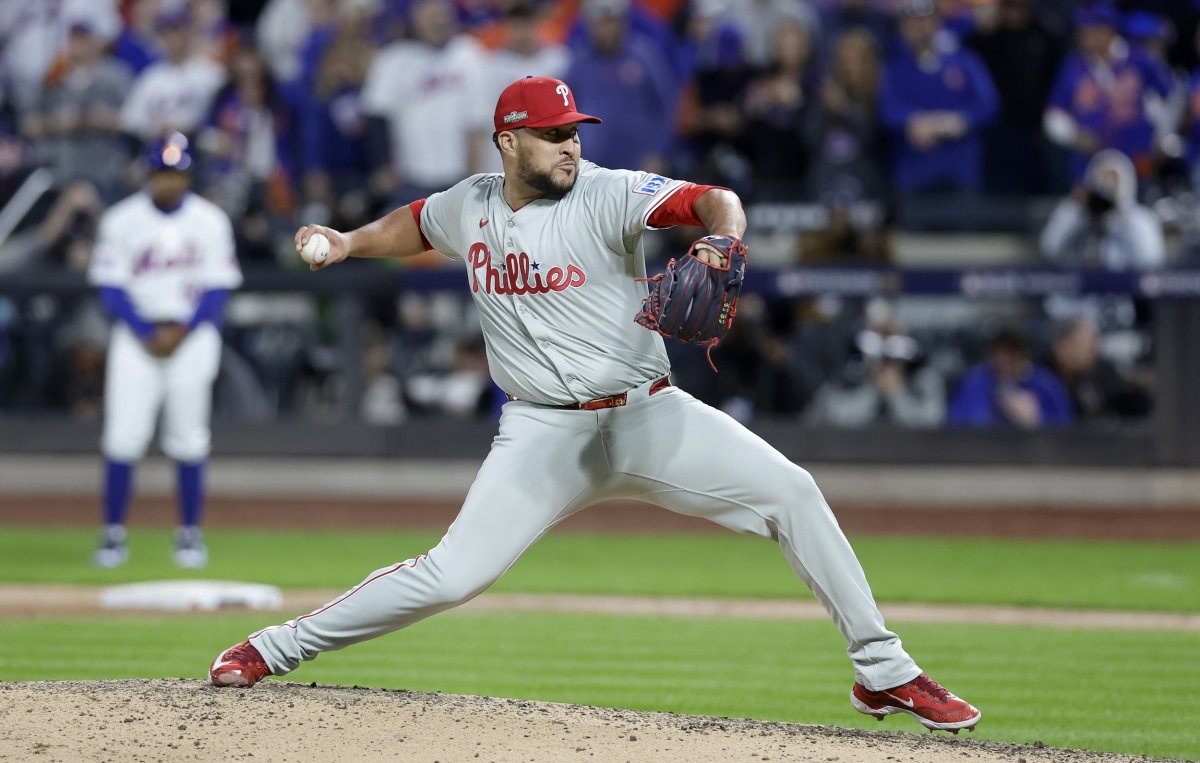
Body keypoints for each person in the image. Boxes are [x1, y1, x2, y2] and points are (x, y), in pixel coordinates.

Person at [208, 75, 981, 735]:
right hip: (542, 432)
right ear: (507, 143)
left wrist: (721, 241)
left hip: (648, 417)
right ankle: (274, 648)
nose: (569, 146)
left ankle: (883, 670)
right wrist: (345, 241)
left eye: (574, 131)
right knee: (449, 576)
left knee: (793, 491)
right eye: (551, 135)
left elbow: (716, 198)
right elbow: (411, 224)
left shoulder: (610, 192)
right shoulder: (469, 205)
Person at [87, 133, 242, 569]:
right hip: (136, 337)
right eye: (161, 173)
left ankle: (190, 534)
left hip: (193, 337)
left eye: (176, 173)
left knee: (189, 438)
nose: (168, 182)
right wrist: (143, 329)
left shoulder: (211, 221)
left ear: (188, 175)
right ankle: (113, 534)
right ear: (148, 174)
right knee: (122, 437)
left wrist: (183, 330)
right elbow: (110, 287)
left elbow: (218, 288)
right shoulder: (121, 220)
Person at [877, 0, 999, 193]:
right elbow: (887, 107)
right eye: (913, 23)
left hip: (960, 169)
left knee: (966, 219)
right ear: (903, 28)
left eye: (926, 21)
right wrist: (913, 121)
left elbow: (988, 104)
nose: (921, 28)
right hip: (913, 169)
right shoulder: (894, 68)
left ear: (937, 22)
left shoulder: (964, 62)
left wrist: (957, 120)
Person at [1040, 148, 1165, 270]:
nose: (1106, 188)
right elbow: (1050, 249)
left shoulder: (1141, 219)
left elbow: (1152, 260)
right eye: (1101, 180)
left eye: (1113, 180)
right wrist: (1071, 208)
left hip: (1123, 288)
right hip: (1083, 286)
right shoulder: (1080, 216)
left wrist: (1122, 219)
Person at [947, 325, 1073, 429]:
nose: (1003, 359)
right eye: (998, 351)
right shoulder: (974, 382)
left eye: (1011, 352)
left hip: (1035, 456)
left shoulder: (1047, 385)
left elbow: (1068, 434)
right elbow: (955, 425)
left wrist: (1035, 421)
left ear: (1025, 354)